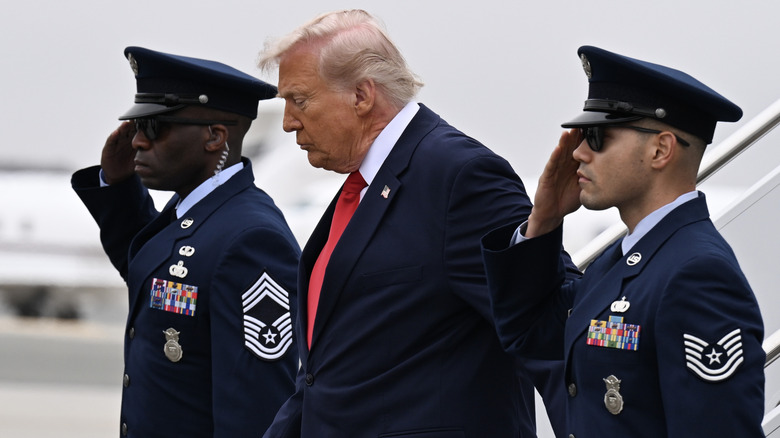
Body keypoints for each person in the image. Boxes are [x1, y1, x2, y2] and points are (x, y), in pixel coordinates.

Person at [257, 9, 576, 438]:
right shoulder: (362, 186)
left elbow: (544, 327)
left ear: (361, 96)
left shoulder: (459, 176)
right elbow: (322, 375)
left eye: (299, 100)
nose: (288, 121)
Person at [482, 45, 766, 437]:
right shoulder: (623, 260)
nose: (578, 153)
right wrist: (543, 220)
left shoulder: (698, 274)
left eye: (596, 136)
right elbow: (531, 335)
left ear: (660, 149)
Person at [71, 46, 301, 437]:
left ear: (215, 137)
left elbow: (255, 409)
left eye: (154, 128)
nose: (138, 142)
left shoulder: (251, 239)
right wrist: (119, 185)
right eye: (136, 128)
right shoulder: (194, 214)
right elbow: (150, 270)